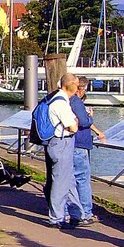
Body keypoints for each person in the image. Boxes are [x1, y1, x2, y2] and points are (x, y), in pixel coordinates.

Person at [43, 73, 81, 228]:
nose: (78, 89)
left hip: (60, 142)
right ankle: (56, 217)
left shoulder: (59, 99)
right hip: (61, 142)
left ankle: (77, 213)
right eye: (77, 85)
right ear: (70, 85)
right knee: (60, 181)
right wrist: (75, 123)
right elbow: (73, 126)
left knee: (68, 179)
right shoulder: (61, 103)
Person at [68, 78, 106, 226]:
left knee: (71, 178)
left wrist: (97, 131)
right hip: (80, 143)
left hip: (71, 143)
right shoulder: (76, 102)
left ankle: (70, 211)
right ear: (80, 89)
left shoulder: (66, 101)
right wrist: (89, 116)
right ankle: (85, 212)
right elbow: (84, 122)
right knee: (82, 178)